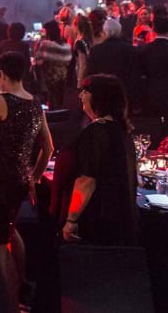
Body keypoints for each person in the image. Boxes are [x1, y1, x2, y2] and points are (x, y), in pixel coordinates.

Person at [0, 52, 53, 308]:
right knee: (10, 229)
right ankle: (24, 283)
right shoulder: (35, 102)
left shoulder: (0, 100)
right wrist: (35, 176)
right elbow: (48, 147)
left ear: (1, 74)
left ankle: (8, 301)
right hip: (20, 180)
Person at [62, 75, 137, 246]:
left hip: (97, 218)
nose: (80, 96)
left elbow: (86, 180)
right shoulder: (122, 132)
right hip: (120, 221)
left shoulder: (95, 133)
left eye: (85, 91)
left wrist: (71, 219)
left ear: (99, 97)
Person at [87, 18, 140, 103]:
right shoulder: (131, 50)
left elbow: (92, 74)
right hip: (124, 94)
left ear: (104, 32)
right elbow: (135, 75)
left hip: (103, 94)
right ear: (119, 32)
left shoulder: (95, 51)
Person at [33, 20, 72, 109]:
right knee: (60, 103)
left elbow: (38, 61)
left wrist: (37, 45)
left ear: (48, 32)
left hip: (49, 80)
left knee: (52, 104)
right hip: (63, 78)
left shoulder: (46, 45)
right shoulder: (67, 46)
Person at [72, 14, 94, 83]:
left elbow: (82, 65)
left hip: (83, 78)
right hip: (91, 75)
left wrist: (79, 83)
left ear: (77, 26)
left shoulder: (79, 42)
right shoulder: (90, 39)